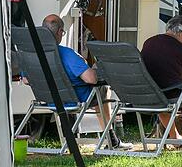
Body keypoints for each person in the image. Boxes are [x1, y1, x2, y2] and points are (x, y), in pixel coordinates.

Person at [41, 14, 131, 149]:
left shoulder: (34, 54)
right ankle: (111, 138)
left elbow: (25, 79)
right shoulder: (67, 54)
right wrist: (94, 68)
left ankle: (70, 139)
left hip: (50, 99)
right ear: (59, 32)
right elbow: (91, 79)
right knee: (102, 90)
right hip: (75, 98)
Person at [141, 15, 182, 142]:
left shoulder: (149, 41)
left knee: (160, 100)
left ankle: (174, 136)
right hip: (169, 93)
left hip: (148, 92)